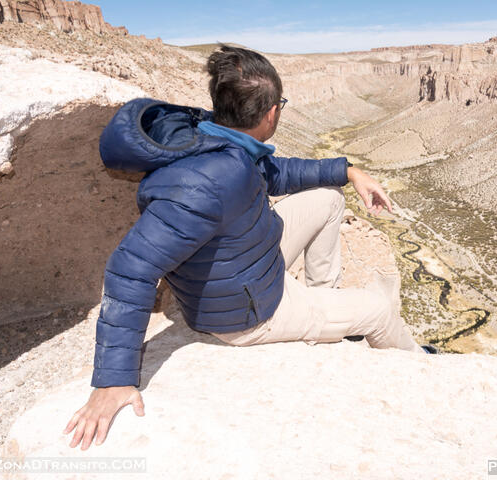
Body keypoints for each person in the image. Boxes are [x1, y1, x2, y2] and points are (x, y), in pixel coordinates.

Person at [63, 45, 432, 451]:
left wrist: (348, 170)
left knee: (328, 198)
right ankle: (424, 374)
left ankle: (323, 305)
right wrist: (113, 380)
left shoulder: (214, 138)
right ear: (271, 112)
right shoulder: (212, 179)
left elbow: (278, 172)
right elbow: (129, 269)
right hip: (249, 314)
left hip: (254, 264)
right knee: (379, 310)